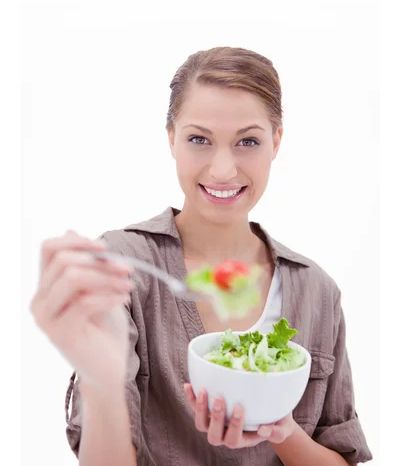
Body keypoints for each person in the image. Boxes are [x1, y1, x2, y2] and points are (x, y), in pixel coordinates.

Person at [30, 47, 373, 466]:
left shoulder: (316, 290)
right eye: (199, 139)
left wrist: (280, 430)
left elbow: (341, 456)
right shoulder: (122, 264)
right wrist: (100, 382)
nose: (223, 170)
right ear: (171, 138)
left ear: (276, 142)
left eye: (248, 141)